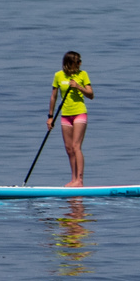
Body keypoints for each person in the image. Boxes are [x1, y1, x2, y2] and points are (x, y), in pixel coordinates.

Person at [49, 51, 94, 188]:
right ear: (70, 63)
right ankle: (73, 179)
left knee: (76, 146)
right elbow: (53, 97)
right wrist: (50, 117)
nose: (80, 64)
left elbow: (91, 95)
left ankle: (79, 180)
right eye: (78, 62)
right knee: (68, 148)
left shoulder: (82, 74)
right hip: (65, 115)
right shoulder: (58, 76)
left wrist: (78, 87)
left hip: (79, 113)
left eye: (80, 62)